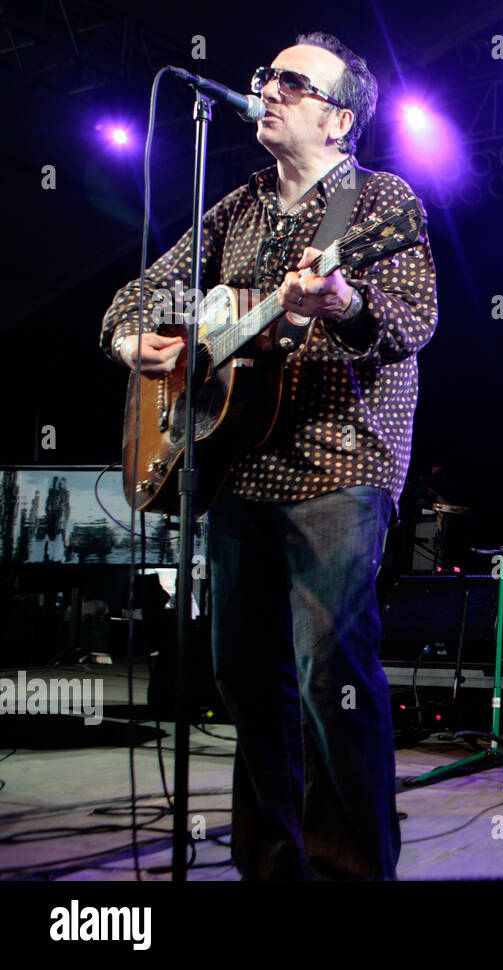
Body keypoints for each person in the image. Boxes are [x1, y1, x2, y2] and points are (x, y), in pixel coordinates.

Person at [100, 31, 437, 880]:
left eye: (294, 82)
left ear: (341, 121)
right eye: (268, 78)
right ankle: (273, 865)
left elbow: (412, 323)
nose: (269, 90)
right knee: (244, 676)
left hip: (339, 463)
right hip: (236, 464)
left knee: (332, 672)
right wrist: (132, 337)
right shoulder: (238, 206)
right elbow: (149, 285)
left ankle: (351, 870)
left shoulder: (381, 203)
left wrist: (344, 299)